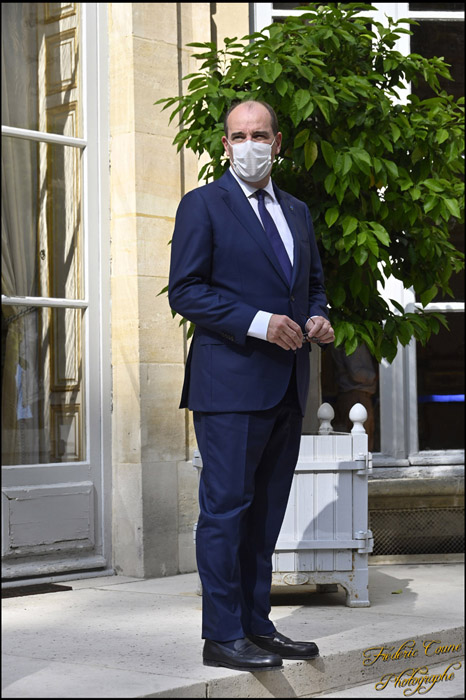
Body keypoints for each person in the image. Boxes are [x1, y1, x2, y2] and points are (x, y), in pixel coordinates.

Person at [168, 100, 334, 672]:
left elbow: (313, 287)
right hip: (229, 386)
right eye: (238, 136)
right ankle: (222, 636)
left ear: (277, 142)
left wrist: (318, 317)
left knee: (265, 515)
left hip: (287, 384)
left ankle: (257, 627)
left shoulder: (297, 211)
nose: (249, 144)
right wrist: (260, 323)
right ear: (225, 146)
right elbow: (185, 290)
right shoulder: (203, 205)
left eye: (259, 134)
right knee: (226, 513)